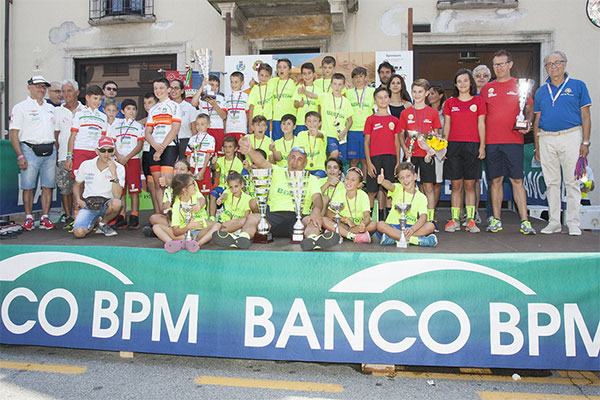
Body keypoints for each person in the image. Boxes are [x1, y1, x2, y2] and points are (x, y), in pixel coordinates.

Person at [213, 138, 339, 250]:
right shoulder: (277, 171)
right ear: (288, 158)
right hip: (274, 217)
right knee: (252, 218)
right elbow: (261, 162)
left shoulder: (311, 179)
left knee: (313, 221)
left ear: (305, 163)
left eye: (300, 159)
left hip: (300, 217)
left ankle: (313, 240)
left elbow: (317, 199)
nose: (295, 162)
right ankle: (242, 239)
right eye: (293, 157)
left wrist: (316, 211)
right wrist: (250, 151)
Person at [533, 50, 592, 236]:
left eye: (557, 63)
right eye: (549, 64)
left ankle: (573, 223)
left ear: (564, 64)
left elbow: (586, 115)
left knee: (572, 181)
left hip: (571, 135)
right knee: (551, 183)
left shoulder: (578, 86)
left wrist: (585, 142)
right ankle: (554, 222)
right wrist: (537, 146)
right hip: (546, 137)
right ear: (545, 68)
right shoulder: (541, 91)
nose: (553, 67)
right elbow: (537, 120)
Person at [481, 49, 536, 235]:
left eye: (502, 64)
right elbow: (481, 117)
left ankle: (525, 221)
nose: (499, 68)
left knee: (517, 180)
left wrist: (528, 122)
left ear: (510, 64)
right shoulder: (487, 89)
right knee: (495, 180)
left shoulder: (521, 85)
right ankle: (496, 220)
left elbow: (529, 109)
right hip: (492, 142)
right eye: (495, 65)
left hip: (513, 140)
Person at [9, 75, 57, 231]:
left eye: (44, 87)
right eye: (38, 86)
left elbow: (55, 131)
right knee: (28, 186)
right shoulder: (20, 107)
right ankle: (29, 217)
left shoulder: (50, 108)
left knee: (48, 186)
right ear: (29, 87)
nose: (41, 89)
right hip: (29, 150)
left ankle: (45, 217)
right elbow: (13, 133)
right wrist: (20, 155)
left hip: (50, 150)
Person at [442, 69, 486, 233]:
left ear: (471, 83)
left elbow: (481, 124)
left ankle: (470, 220)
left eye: (465, 80)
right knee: (456, 185)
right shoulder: (450, 103)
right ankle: (454, 220)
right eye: (459, 81)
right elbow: (447, 125)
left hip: (472, 146)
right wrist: (443, 146)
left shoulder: (478, 101)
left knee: (470, 185)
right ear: (455, 84)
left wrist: (482, 146)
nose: (462, 84)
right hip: (453, 146)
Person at [399, 78, 442, 226]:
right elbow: (400, 134)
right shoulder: (405, 113)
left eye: (420, 92)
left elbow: (437, 135)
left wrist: (432, 146)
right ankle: (409, 218)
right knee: (407, 186)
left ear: (426, 93)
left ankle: (430, 219)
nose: (417, 95)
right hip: (410, 155)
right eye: (414, 92)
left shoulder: (432, 113)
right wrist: (405, 149)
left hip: (426, 156)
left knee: (428, 187)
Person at [72, 137, 125, 238]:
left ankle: (102, 223)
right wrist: (78, 200)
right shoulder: (86, 164)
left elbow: (118, 195)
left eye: (109, 150)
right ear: (97, 151)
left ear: (113, 151)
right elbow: (76, 185)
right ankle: (96, 220)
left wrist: (113, 172)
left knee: (117, 203)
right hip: (89, 204)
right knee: (79, 233)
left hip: (107, 204)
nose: (106, 154)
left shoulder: (119, 168)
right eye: (103, 150)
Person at [154, 173, 220, 253]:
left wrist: (199, 205)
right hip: (183, 234)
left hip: (198, 232)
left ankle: (197, 244)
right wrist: (188, 227)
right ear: (184, 189)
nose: (195, 185)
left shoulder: (196, 194)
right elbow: (175, 232)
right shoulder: (176, 205)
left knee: (217, 225)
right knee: (156, 227)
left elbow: (202, 200)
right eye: (192, 184)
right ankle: (173, 244)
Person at [376, 162, 438, 247]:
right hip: (393, 226)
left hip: (410, 227)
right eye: (402, 178)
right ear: (398, 180)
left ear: (415, 176)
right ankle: (416, 240)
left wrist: (412, 229)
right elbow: (389, 185)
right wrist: (383, 181)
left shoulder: (421, 197)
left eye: (408, 176)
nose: (405, 180)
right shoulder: (398, 188)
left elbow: (423, 217)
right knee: (380, 225)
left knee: (430, 226)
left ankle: (394, 238)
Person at [364, 87, 402, 219]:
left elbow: (397, 143)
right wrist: (369, 163)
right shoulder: (370, 119)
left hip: (390, 158)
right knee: (372, 191)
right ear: (375, 100)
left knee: (389, 191)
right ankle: (368, 220)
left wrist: (397, 162)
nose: (383, 100)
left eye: (385, 97)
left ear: (389, 99)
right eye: (379, 97)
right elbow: (366, 142)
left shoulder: (394, 120)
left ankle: (388, 220)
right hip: (374, 158)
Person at [145, 77, 182, 208]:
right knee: (157, 183)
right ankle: (162, 213)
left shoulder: (175, 106)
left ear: (168, 89)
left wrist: (161, 148)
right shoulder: (153, 109)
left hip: (169, 147)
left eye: (161, 88)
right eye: (155, 88)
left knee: (167, 182)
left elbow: (175, 129)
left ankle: (171, 212)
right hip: (154, 147)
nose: (158, 91)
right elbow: (147, 132)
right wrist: (155, 146)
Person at [54, 79, 84, 229]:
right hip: (63, 156)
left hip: (81, 156)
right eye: (63, 91)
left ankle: (81, 217)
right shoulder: (57, 111)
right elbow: (56, 135)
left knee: (81, 187)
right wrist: (60, 154)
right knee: (65, 188)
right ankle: (68, 216)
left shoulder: (85, 110)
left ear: (77, 92)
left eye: (69, 91)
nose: (66, 94)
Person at [111, 98, 145, 230]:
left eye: (134, 109)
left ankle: (134, 216)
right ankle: (122, 215)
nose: (131, 111)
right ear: (122, 111)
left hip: (133, 160)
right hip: (119, 160)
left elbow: (140, 145)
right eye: (128, 109)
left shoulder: (138, 126)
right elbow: (112, 143)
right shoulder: (116, 125)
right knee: (121, 190)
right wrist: (119, 156)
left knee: (134, 190)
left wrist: (128, 157)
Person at [322, 167, 376, 243]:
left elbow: (367, 216)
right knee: (324, 220)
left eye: (353, 180)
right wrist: (346, 220)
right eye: (347, 179)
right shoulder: (339, 194)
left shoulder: (363, 195)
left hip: (358, 226)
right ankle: (352, 235)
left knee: (373, 225)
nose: (349, 182)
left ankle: (341, 232)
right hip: (343, 224)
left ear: (359, 184)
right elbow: (329, 213)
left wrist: (363, 225)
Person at [65, 85, 107, 179]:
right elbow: (72, 136)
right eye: (95, 98)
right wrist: (69, 156)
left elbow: (103, 139)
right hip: (80, 150)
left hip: (95, 152)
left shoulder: (103, 117)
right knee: (79, 180)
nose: (98, 102)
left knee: (93, 180)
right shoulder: (79, 114)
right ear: (87, 98)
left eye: (100, 99)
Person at [148, 159, 193, 233]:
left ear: (188, 172)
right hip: (175, 219)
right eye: (176, 169)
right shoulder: (168, 188)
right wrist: (166, 206)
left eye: (182, 169)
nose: (178, 171)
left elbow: (180, 184)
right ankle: (173, 230)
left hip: (189, 217)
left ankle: (170, 231)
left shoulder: (191, 183)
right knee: (153, 218)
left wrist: (167, 181)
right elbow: (164, 210)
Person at [345, 67, 375, 171]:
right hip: (352, 130)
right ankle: (352, 179)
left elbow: (375, 110)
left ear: (365, 77)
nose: (358, 79)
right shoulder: (348, 93)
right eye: (356, 77)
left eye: (361, 76)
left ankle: (365, 181)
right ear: (352, 79)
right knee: (353, 160)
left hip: (367, 131)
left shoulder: (372, 92)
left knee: (365, 160)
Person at [426, 83, 447, 231]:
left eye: (433, 93)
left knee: (437, 183)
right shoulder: (424, 110)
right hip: (424, 151)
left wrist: (443, 148)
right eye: (429, 93)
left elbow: (446, 131)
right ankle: (424, 214)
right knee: (424, 183)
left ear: (440, 95)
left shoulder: (445, 112)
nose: (430, 96)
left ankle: (432, 215)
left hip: (439, 151)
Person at [318, 73, 353, 160]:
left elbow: (350, 120)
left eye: (340, 84)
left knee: (339, 161)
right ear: (331, 84)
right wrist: (304, 91)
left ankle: (329, 167)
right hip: (328, 134)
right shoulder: (325, 97)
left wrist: (344, 131)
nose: (337, 87)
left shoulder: (346, 102)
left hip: (341, 136)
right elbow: (314, 96)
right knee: (335, 153)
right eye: (335, 84)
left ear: (344, 86)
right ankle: (326, 167)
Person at [209, 136, 244, 219]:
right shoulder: (220, 160)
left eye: (230, 147)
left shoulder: (238, 163)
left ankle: (227, 217)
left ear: (235, 149)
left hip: (231, 187)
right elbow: (215, 167)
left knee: (227, 196)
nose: (227, 149)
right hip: (221, 186)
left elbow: (238, 180)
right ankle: (212, 218)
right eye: (225, 147)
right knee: (213, 195)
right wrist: (213, 163)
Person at [140, 93, 160, 220]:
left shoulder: (161, 119)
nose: (147, 106)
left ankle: (164, 214)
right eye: (145, 103)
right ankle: (157, 214)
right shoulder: (141, 122)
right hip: (146, 153)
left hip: (158, 152)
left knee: (160, 184)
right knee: (151, 185)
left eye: (150, 103)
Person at [186, 113, 216, 196]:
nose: (199, 127)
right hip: (192, 168)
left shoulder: (210, 139)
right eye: (197, 124)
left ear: (208, 125)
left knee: (204, 194)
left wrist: (202, 171)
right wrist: (188, 170)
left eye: (202, 124)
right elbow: (188, 155)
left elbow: (208, 156)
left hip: (204, 168)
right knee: (192, 193)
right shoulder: (192, 139)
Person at [169, 78, 198, 160]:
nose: (173, 91)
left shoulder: (189, 108)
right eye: (171, 88)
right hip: (170, 141)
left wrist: (193, 146)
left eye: (176, 88)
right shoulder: (167, 107)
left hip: (185, 141)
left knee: (183, 165)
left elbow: (194, 130)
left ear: (182, 91)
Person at [270, 58, 297, 141]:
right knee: (277, 144)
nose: (281, 70)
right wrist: (254, 83)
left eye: (284, 67)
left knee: (291, 144)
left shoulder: (294, 83)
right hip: (277, 120)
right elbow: (262, 85)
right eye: (279, 67)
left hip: (290, 119)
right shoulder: (272, 81)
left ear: (289, 70)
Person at [296, 111, 327, 177]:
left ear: (320, 123)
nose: (311, 123)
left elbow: (321, 135)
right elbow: (301, 152)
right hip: (305, 168)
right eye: (309, 121)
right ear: (305, 123)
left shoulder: (324, 133)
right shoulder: (301, 134)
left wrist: (316, 133)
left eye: (314, 121)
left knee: (315, 179)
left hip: (320, 169)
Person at [247, 63, 274, 137]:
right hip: (255, 121)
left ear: (270, 77)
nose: (263, 78)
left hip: (266, 120)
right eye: (261, 75)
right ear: (258, 75)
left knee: (265, 140)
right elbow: (251, 107)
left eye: (266, 76)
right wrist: (250, 124)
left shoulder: (271, 86)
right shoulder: (254, 89)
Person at [293, 62, 320, 134]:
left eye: (309, 73)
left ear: (314, 74)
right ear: (302, 75)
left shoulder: (318, 89)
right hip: (301, 122)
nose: (307, 76)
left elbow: (320, 107)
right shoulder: (298, 88)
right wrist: (299, 104)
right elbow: (295, 104)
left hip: (314, 123)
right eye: (304, 74)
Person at [225, 71, 249, 143]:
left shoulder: (246, 96)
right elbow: (225, 114)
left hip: (241, 129)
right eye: (231, 82)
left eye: (236, 82)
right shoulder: (227, 96)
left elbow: (247, 113)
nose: (233, 84)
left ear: (242, 83)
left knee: (241, 148)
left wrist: (247, 126)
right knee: (229, 147)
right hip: (229, 128)